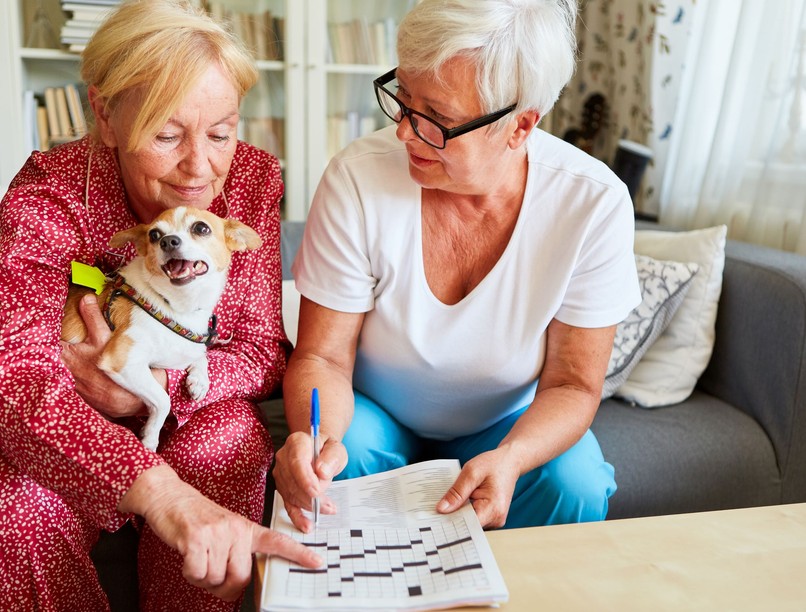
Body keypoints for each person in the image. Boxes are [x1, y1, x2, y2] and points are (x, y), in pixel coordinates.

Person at [273, 0, 642, 534]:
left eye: (436, 120)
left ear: (519, 127)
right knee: (335, 465)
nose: (404, 132)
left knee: (575, 483)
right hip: (374, 413)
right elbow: (324, 357)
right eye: (402, 99)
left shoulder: (592, 203)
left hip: (504, 422)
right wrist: (317, 439)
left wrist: (511, 458)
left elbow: (572, 384)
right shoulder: (357, 178)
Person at [0, 1, 321, 610]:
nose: (199, 168)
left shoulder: (252, 178)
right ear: (104, 113)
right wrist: (155, 490)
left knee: (228, 447)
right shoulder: (49, 190)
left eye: (221, 133)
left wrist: (148, 376)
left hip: (191, 405)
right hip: (68, 420)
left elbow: (256, 350)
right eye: (166, 135)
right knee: (16, 511)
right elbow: (14, 376)